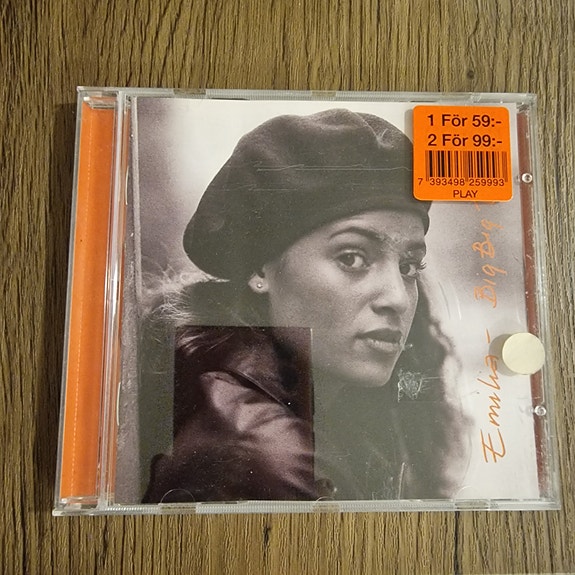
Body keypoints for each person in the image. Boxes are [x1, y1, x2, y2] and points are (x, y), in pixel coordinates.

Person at [142, 108, 469, 504]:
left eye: (409, 266)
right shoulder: (268, 456)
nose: (397, 298)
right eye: (352, 258)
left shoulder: (315, 409)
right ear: (260, 267)